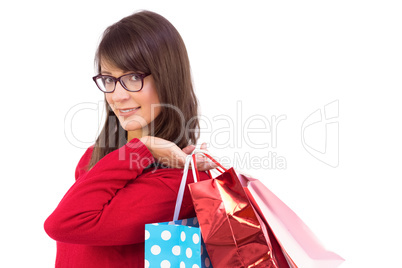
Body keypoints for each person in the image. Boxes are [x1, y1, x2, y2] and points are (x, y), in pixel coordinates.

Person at [44, 10, 217, 268]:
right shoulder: (96, 157)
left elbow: (64, 223)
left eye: (133, 77)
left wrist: (144, 147)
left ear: (167, 78)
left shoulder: (177, 182)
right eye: (109, 79)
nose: (117, 95)